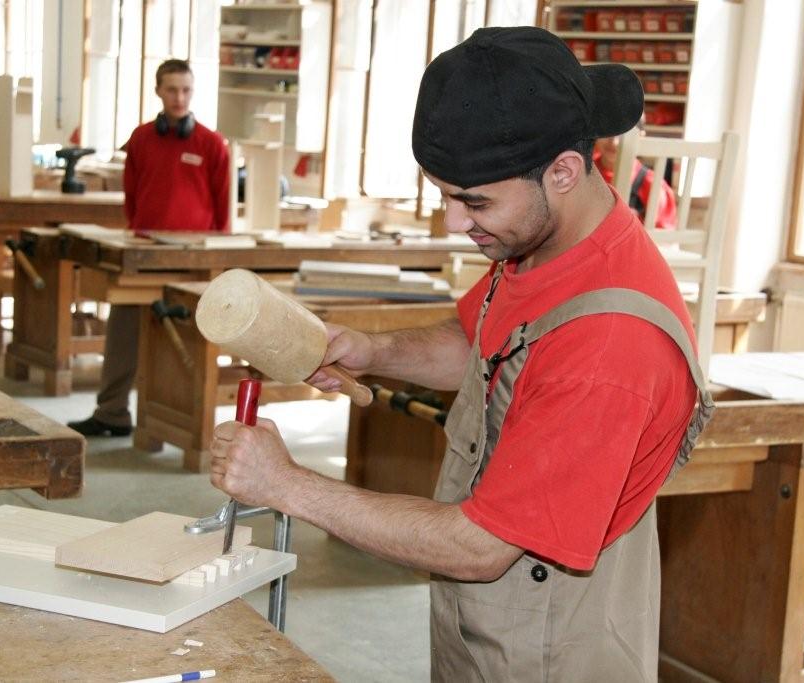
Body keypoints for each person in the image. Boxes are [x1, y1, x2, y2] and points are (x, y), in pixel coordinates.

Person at [209, 27, 713, 681]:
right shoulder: (543, 237)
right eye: (444, 194)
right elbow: (482, 344)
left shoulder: (610, 345)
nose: (453, 221)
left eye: (473, 200)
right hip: (493, 619)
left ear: (563, 171)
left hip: (553, 648)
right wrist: (371, 351)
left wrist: (285, 485)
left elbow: (479, 546)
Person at [69, 59, 229, 437]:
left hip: (192, 259)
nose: (179, 97)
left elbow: (223, 208)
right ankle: (111, 412)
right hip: (143, 252)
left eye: (186, 90)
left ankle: (178, 422)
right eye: (172, 89)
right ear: (158, 91)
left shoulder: (211, 143)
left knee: (183, 338)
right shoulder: (140, 139)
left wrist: (215, 256)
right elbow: (132, 195)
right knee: (123, 330)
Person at [594, 131, 678, 229]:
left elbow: (663, 234)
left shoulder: (653, 184)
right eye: (607, 131)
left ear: (640, 136)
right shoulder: (582, 172)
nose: (614, 142)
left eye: (623, 133)